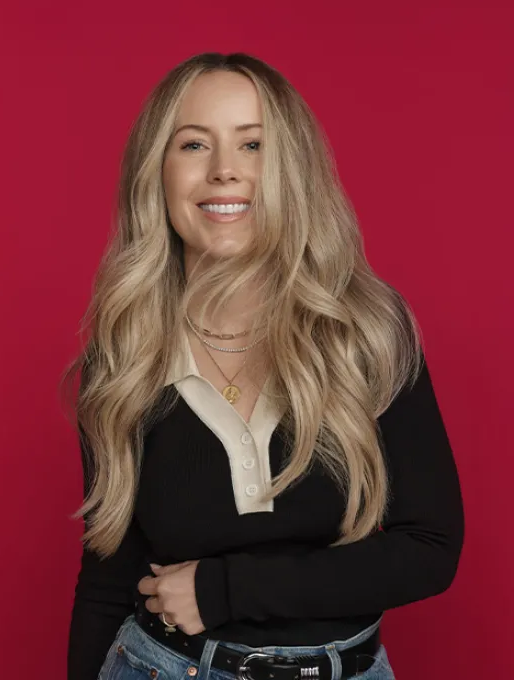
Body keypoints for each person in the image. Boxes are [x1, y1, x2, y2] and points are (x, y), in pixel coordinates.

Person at [64, 52, 464, 680]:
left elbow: (430, 549)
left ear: (291, 171)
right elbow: (108, 580)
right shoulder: (122, 361)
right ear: (157, 172)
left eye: (253, 145)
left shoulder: (368, 335)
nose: (225, 171)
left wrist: (228, 589)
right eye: (194, 144)